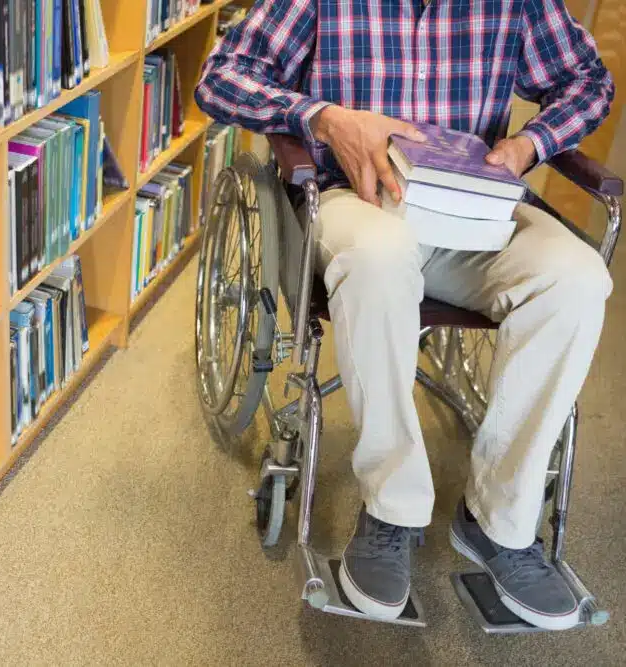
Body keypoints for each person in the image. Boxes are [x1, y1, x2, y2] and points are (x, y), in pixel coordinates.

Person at [195, 0, 615, 629]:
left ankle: (501, 518)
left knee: (579, 277)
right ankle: (392, 509)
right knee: (381, 254)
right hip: (357, 200)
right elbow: (220, 77)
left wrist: (534, 142)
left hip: (476, 213)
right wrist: (322, 116)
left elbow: (589, 81)